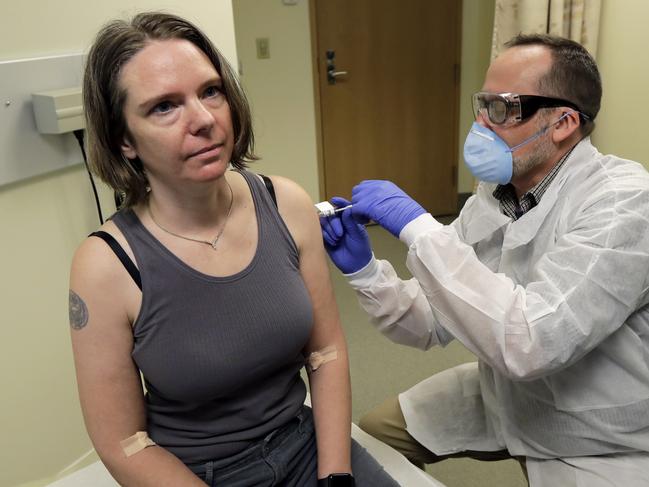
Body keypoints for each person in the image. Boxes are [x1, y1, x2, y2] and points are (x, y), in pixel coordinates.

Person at [69, 12, 398, 487]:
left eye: (211, 91)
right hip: (199, 474)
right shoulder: (105, 266)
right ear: (124, 140)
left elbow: (325, 351)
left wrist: (336, 477)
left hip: (304, 443)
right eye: (164, 106)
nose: (204, 120)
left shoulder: (285, 202)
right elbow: (125, 443)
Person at [321, 33, 649, 486]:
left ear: (563, 123)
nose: (479, 124)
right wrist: (366, 272)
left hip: (596, 432)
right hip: (508, 396)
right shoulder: (494, 198)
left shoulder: (622, 202)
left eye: (501, 108)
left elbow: (533, 342)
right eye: (482, 104)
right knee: (375, 439)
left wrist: (421, 229)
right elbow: (431, 321)